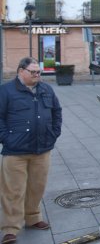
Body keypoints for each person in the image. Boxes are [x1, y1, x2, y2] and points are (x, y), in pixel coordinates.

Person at [0, 57, 62, 244]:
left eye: (39, 72)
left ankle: (33, 217)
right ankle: (10, 228)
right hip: (15, 151)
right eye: (33, 72)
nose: (37, 75)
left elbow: (56, 112)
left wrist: (53, 133)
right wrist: (7, 138)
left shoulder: (46, 89)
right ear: (20, 71)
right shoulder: (6, 91)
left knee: (37, 187)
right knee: (13, 190)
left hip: (42, 149)